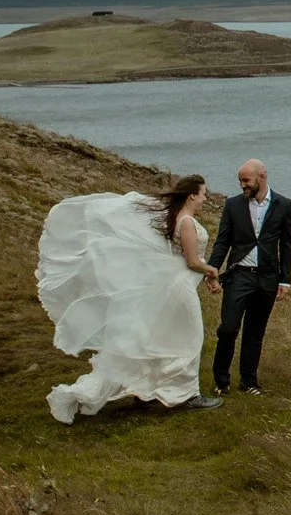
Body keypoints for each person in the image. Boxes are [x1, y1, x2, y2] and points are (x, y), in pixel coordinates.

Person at [37, 175, 226, 423]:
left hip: (178, 282)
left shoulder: (177, 218)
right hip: (181, 288)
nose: (204, 198)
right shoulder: (187, 221)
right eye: (203, 193)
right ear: (192, 195)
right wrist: (212, 271)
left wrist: (206, 277)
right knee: (190, 339)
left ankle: (145, 392)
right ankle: (188, 395)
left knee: (160, 339)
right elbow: (191, 261)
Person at [206, 157, 291, 396]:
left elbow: (286, 245)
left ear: (261, 178)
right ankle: (221, 382)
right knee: (228, 328)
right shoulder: (232, 205)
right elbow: (222, 240)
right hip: (239, 276)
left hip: (267, 278)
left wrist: (284, 280)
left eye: (246, 180)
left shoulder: (284, 205)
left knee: (255, 333)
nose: (242, 185)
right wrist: (212, 270)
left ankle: (249, 382)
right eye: (240, 181)